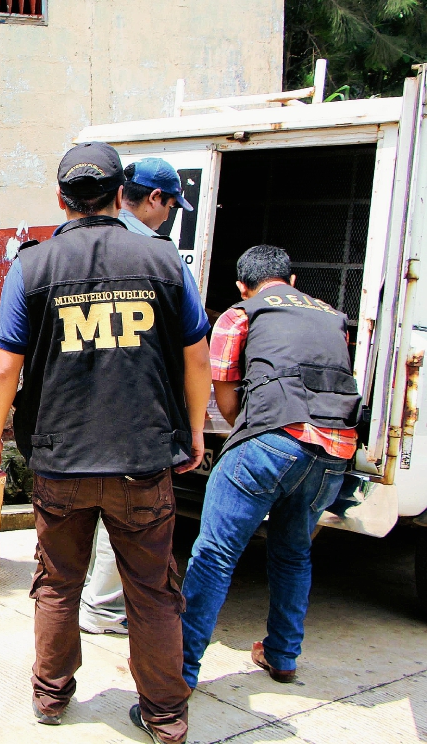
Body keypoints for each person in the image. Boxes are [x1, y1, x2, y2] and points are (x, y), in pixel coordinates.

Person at [0, 142, 211, 744]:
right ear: (119, 195)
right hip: (143, 459)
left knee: (58, 582)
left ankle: (50, 696)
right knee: (153, 590)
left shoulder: (33, 265)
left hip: (61, 459)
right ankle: (165, 715)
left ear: (61, 199)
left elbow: (4, 365)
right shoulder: (165, 263)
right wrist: (193, 431)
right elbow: (196, 357)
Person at [181, 245, 359, 687]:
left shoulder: (241, 313)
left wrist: (246, 431)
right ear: (292, 281)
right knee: (294, 553)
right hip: (335, 452)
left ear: (242, 285)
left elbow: (222, 391)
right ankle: (282, 656)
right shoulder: (333, 317)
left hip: (272, 440)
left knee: (215, 554)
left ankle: (178, 669)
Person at [80, 158, 195, 637]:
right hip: (133, 405)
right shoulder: (158, 255)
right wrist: (190, 426)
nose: (170, 215)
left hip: (78, 405)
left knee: (83, 509)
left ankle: (89, 597)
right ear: (154, 198)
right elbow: (194, 350)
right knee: (125, 509)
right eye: (171, 205)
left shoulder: (71, 245)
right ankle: (103, 606)